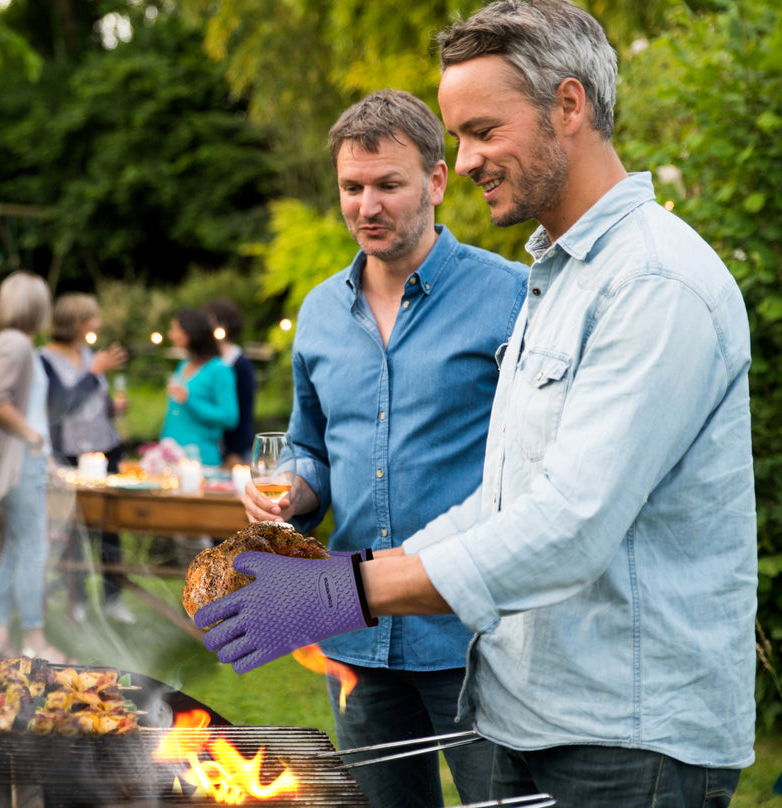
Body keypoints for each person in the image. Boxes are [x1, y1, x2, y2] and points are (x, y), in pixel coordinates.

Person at [195, 4, 758, 807]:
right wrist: (339, 580)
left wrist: (333, 591)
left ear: (569, 106)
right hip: (533, 713)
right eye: (458, 138)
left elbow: (567, 524)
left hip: (632, 739)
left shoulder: (652, 283)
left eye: (482, 131)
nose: (462, 164)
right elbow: (500, 503)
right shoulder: (556, 282)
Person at [240, 89, 528, 808]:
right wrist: (294, 489)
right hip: (354, 639)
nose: (367, 204)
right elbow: (310, 445)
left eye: (387, 184)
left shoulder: (513, 297)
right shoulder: (316, 312)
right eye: (352, 187)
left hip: (473, 636)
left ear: (435, 181)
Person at [0, 271, 70, 663]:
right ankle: (33, 639)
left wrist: (45, 456)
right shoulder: (14, 344)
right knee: (33, 550)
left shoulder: (19, 344)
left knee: (17, 548)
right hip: (19, 467)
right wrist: (33, 439)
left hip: (29, 465)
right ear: (37, 306)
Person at [39, 292, 134, 624]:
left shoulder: (88, 354)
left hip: (105, 449)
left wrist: (113, 408)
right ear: (78, 323)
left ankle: (113, 600)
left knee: (110, 527)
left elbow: (93, 404)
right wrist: (95, 372)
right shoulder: (44, 360)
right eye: (92, 318)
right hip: (69, 455)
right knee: (75, 531)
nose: (98, 323)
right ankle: (76, 600)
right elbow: (61, 405)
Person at [160, 307, 239, 468]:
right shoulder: (183, 365)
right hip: (170, 459)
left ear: (192, 332)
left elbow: (230, 417)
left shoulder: (220, 370)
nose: (171, 334)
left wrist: (190, 400)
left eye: (176, 329)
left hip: (200, 461)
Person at [203, 298, 257, 468]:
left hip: (234, 448)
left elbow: (245, 410)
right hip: (210, 446)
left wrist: (236, 452)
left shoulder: (240, 363)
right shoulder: (205, 361)